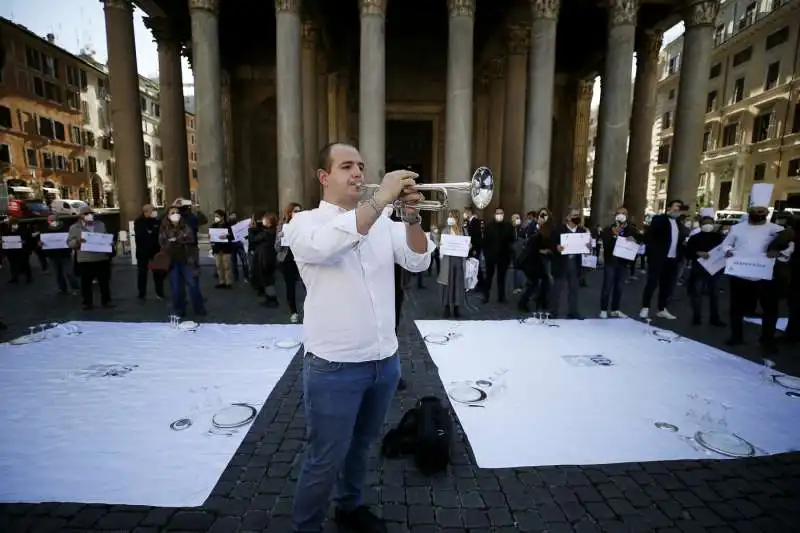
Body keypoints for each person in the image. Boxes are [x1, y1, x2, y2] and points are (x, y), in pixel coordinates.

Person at [286, 142, 433, 533]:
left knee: (362, 445)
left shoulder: (383, 222)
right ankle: (306, 526)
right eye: (346, 166)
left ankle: (350, 506)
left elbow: (419, 261)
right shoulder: (304, 224)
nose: (357, 173)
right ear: (324, 177)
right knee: (324, 458)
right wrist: (381, 200)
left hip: (385, 362)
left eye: (361, 166)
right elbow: (328, 246)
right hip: (334, 366)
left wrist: (414, 219)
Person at [722, 184, 783, 352]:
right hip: (740, 275)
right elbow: (726, 244)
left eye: (763, 211)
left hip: (764, 276)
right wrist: (727, 251)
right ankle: (736, 336)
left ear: (767, 213)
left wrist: (778, 252)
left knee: (770, 309)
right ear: (751, 212)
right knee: (736, 308)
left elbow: (789, 246)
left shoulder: (776, 229)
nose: (760, 214)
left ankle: (767, 340)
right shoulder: (737, 228)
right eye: (757, 211)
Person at [639, 199, 686, 320]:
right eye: (676, 207)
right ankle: (645, 307)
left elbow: (680, 240)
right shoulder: (659, 219)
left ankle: (661, 308)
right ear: (669, 207)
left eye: (680, 208)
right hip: (658, 258)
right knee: (652, 283)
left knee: (667, 285)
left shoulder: (680, 224)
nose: (678, 209)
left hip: (672, 259)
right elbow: (651, 233)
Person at [159, 206, 206, 317]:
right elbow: (163, 243)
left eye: (177, 212)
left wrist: (176, 240)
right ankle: (179, 309)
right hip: (172, 262)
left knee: (193, 285)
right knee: (176, 288)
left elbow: (190, 238)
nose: (175, 214)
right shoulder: (164, 228)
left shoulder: (186, 226)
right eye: (172, 213)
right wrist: (178, 239)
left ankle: (199, 308)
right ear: (168, 216)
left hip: (187, 260)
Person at [599, 207, 642, 318]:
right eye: (619, 213)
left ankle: (615, 309)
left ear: (627, 216)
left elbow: (639, 241)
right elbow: (606, 245)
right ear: (615, 216)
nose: (621, 215)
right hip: (611, 262)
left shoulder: (632, 230)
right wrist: (614, 235)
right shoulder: (608, 229)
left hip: (623, 263)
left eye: (624, 213)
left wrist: (635, 240)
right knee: (607, 286)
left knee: (619, 287)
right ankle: (603, 309)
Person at [549, 206, 590, 319]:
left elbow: (587, 248)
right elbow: (551, 244)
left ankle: (573, 311)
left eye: (578, 215)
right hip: (561, 263)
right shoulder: (558, 230)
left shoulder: (582, 231)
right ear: (567, 218)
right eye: (574, 215)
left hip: (575, 264)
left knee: (574, 289)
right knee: (557, 289)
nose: (577, 218)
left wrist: (588, 246)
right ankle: (553, 311)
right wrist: (556, 247)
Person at [67, 206, 113, 310]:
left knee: (104, 281)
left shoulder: (100, 225)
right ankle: (87, 303)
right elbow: (70, 243)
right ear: (81, 216)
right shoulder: (74, 228)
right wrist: (78, 242)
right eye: (86, 213)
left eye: (91, 213)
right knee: (86, 283)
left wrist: (109, 242)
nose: (89, 215)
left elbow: (105, 236)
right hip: (85, 259)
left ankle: (107, 301)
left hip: (101, 258)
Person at [684, 215, 725, 327]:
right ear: (701, 225)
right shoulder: (695, 238)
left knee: (715, 294)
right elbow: (687, 253)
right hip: (698, 269)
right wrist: (697, 253)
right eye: (705, 223)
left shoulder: (719, 237)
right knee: (697, 294)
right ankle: (697, 317)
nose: (708, 225)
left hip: (715, 269)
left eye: (710, 223)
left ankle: (714, 318)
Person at [277, 203, 303, 322]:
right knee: (290, 286)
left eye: (299, 211)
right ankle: (293, 312)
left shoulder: (304, 225)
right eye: (295, 211)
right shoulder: (282, 226)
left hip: (302, 258)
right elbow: (276, 247)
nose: (297, 213)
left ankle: (311, 310)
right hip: (287, 259)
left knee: (307, 285)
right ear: (289, 212)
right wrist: (280, 237)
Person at [438, 209, 466, 318]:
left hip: (458, 261)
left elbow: (467, 243)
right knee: (447, 284)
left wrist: (468, 246)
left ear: (457, 218)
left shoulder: (463, 230)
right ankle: (446, 308)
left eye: (452, 217)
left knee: (457, 285)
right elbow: (441, 244)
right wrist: (441, 244)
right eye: (449, 216)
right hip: (448, 261)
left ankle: (456, 308)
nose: (450, 219)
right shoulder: (445, 230)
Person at [41, 214, 79, 294]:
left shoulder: (65, 228)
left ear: (58, 220)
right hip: (52, 254)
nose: (51, 222)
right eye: (50, 221)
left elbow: (71, 239)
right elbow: (42, 240)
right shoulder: (45, 229)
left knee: (69, 272)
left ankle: (75, 288)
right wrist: (41, 243)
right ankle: (62, 288)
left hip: (64, 254)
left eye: (53, 220)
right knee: (58, 273)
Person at [482, 207, 515, 303]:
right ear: (494, 214)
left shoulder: (508, 226)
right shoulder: (489, 226)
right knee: (488, 277)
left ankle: (501, 296)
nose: (499, 215)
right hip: (491, 256)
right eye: (497, 213)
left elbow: (512, 240)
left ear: (503, 215)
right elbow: (485, 242)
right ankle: (486, 296)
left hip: (504, 256)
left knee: (502, 278)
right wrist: (486, 254)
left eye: (501, 213)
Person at [134, 204, 165, 299]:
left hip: (155, 252)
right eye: (152, 210)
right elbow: (140, 236)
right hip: (143, 252)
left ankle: (159, 293)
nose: (154, 212)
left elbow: (159, 233)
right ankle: (141, 293)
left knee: (158, 272)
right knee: (142, 273)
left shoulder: (157, 221)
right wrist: (150, 233)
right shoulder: (139, 222)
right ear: (146, 212)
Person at [210, 209, 235, 289]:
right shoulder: (214, 225)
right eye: (215, 216)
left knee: (227, 266)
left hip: (226, 248)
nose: (215, 218)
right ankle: (221, 282)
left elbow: (233, 236)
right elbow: (211, 236)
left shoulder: (228, 225)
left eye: (217, 216)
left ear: (222, 217)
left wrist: (226, 236)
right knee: (219, 266)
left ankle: (228, 282)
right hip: (217, 248)